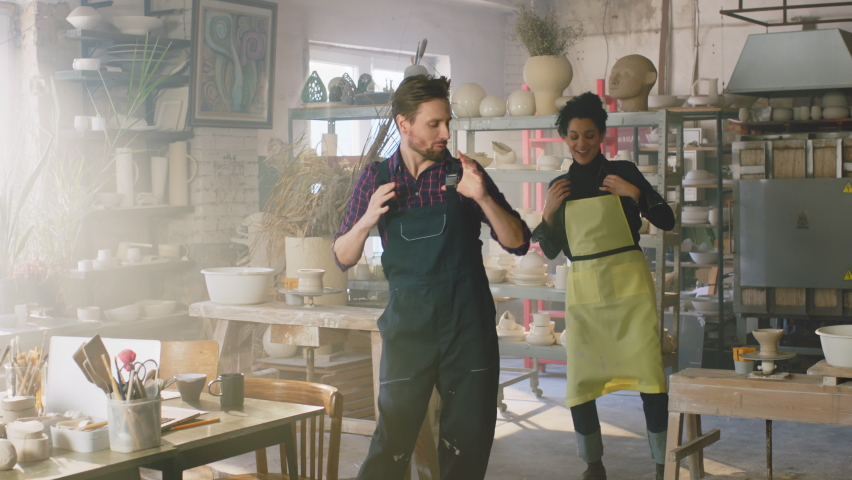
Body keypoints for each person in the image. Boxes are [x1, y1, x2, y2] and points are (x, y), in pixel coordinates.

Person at [333, 74, 530, 480]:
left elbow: (518, 243)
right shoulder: (377, 178)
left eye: (447, 123)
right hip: (409, 328)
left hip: (467, 327)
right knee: (392, 440)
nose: (445, 133)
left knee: (467, 443)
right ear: (404, 124)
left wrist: (483, 197)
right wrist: (368, 219)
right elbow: (342, 256)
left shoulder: (464, 173)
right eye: (434, 124)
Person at [531, 92, 675, 480]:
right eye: (574, 136)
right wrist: (547, 212)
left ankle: (663, 462)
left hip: (630, 289)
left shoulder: (624, 172)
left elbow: (667, 221)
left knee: (650, 375)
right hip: (585, 294)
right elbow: (550, 250)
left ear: (602, 136)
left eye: (589, 135)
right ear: (565, 137)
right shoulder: (559, 186)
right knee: (581, 379)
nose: (582, 144)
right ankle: (593, 463)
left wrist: (636, 195)